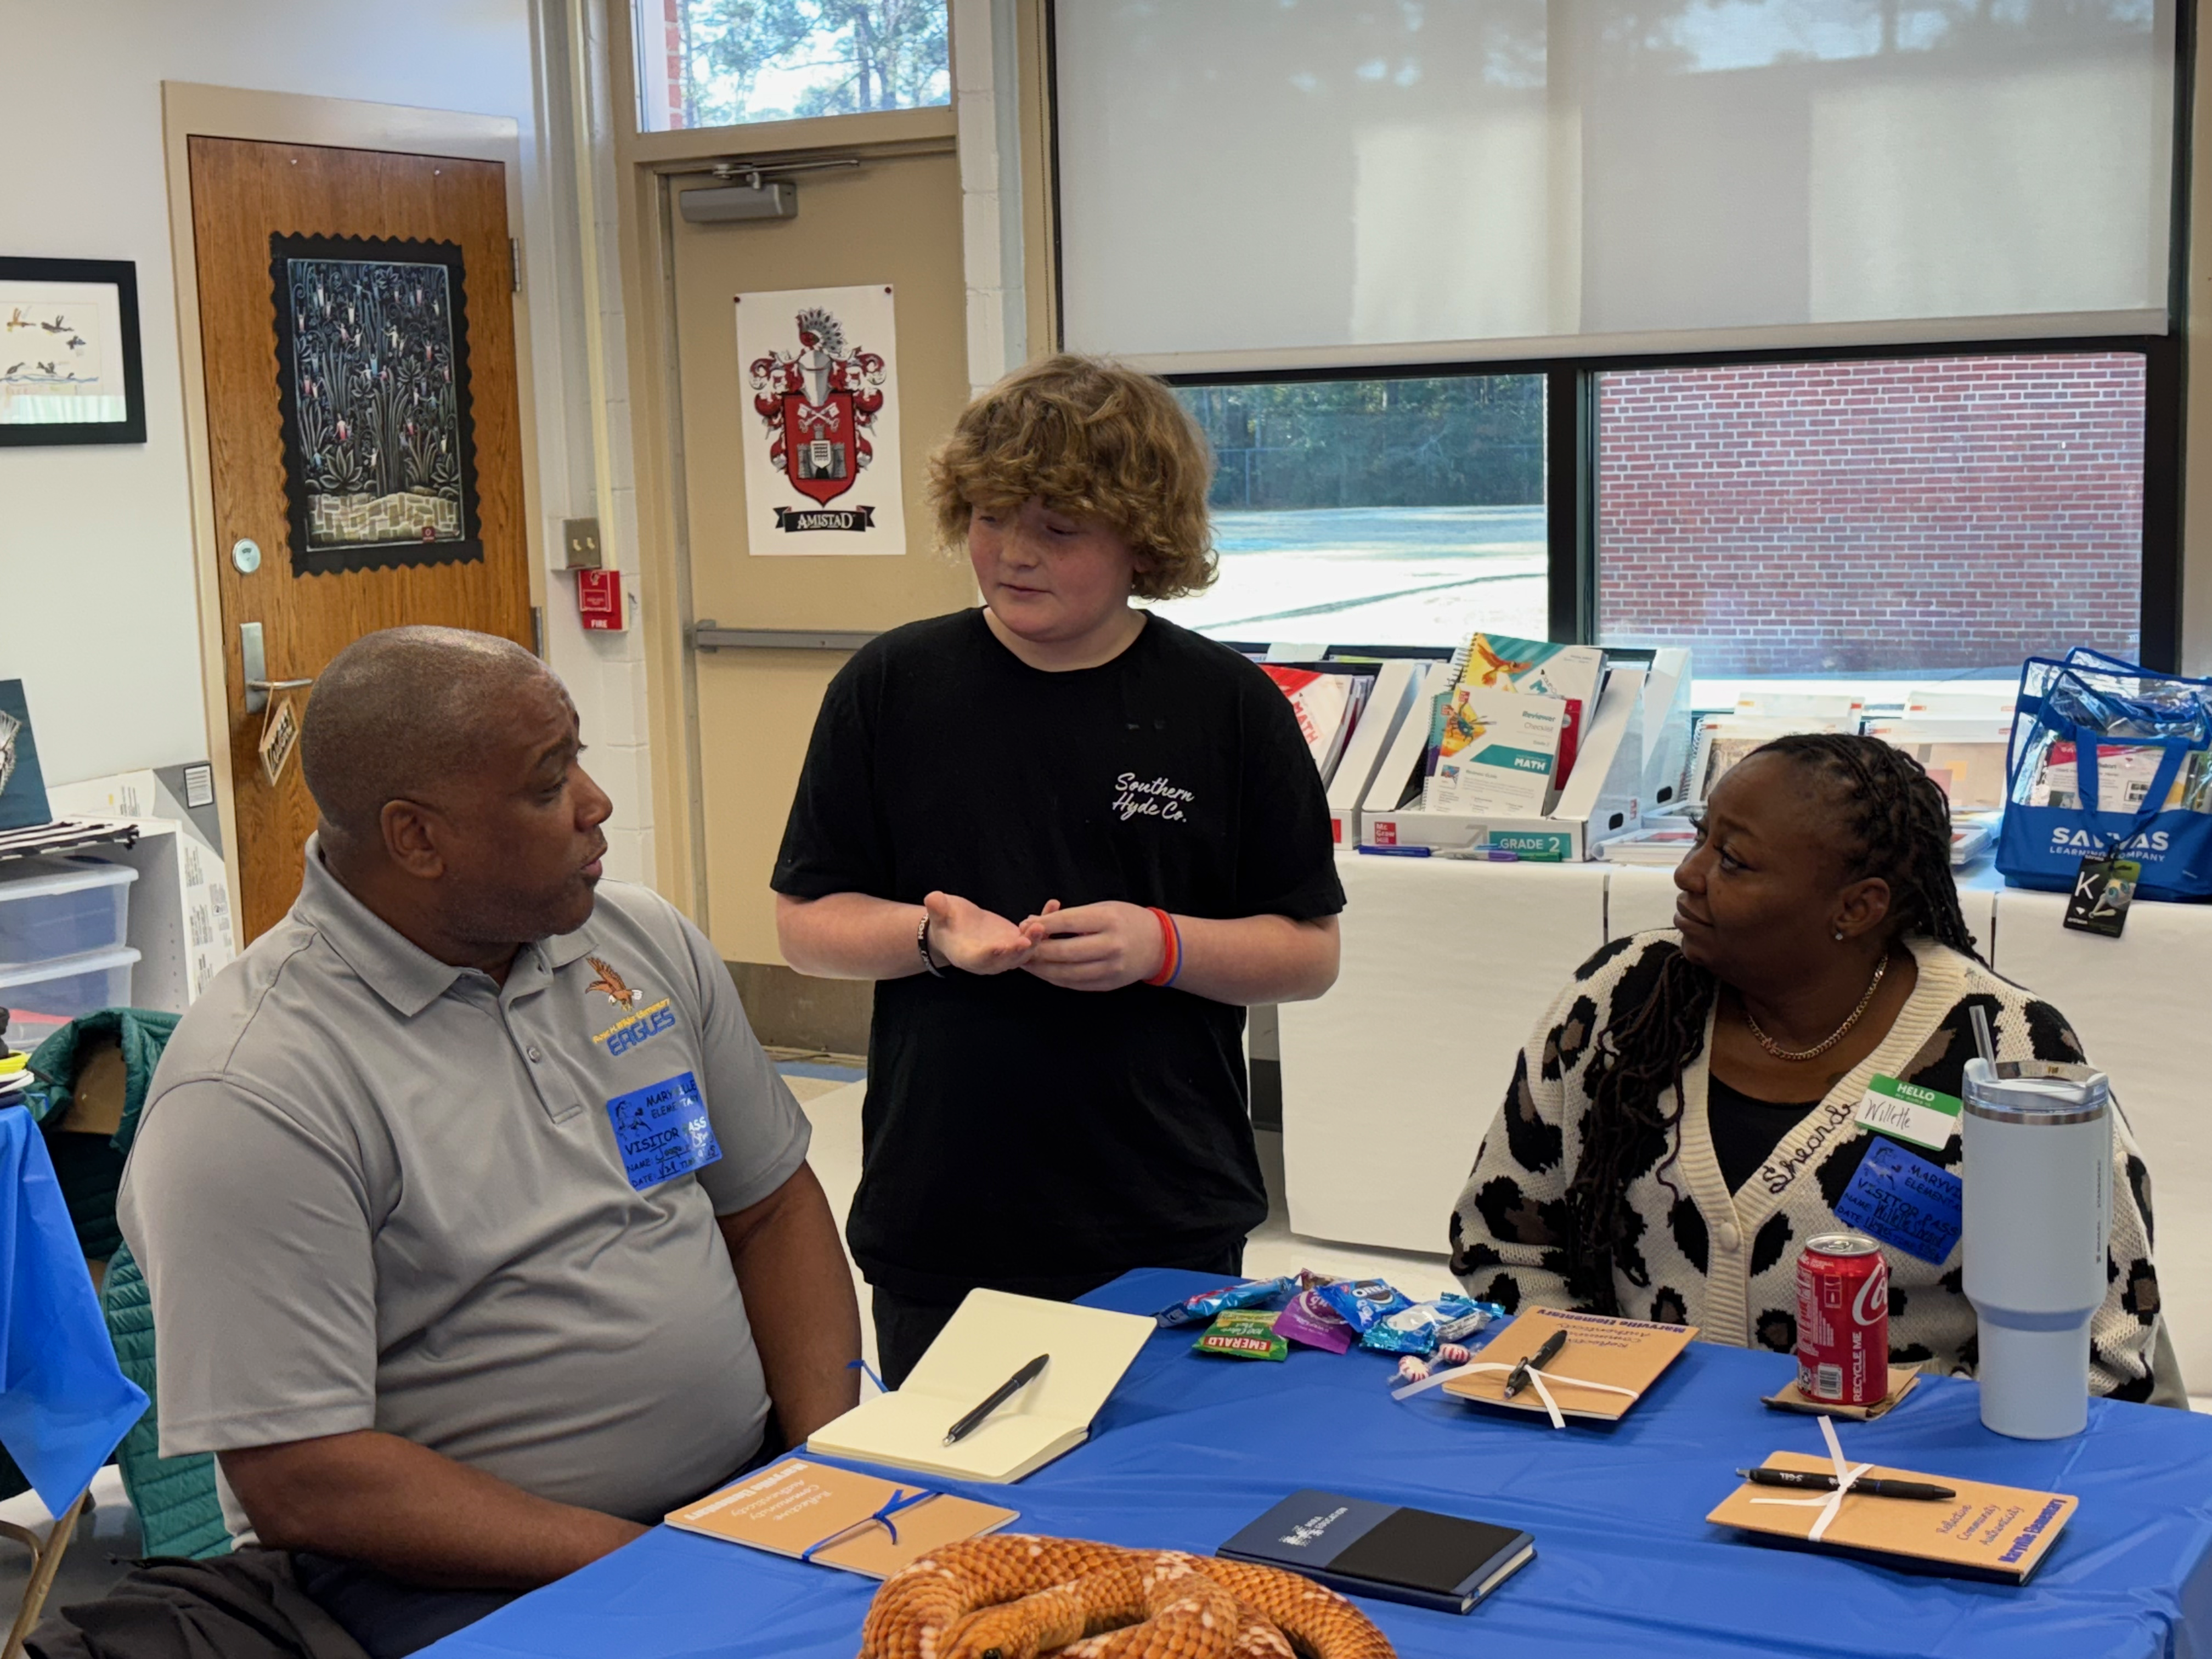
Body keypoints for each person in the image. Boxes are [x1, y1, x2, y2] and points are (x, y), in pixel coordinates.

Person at [115, 627, 860, 1659]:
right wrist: (657, 1563)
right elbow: (302, 1476)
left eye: (581, 758)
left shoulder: (635, 942)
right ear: (417, 839)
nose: (597, 805)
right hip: (459, 1585)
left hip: (740, 1508)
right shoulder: (254, 1088)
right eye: (550, 783)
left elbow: (770, 1205)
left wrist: (824, 1466)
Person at [773, 354, 1344, 1386]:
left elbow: (1307, 953)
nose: (1012, 555)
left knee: (1161, 1521)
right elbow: (805, 923)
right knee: (963, 1532)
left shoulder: (1229, 707)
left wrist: (1161, 945)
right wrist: (931, 939)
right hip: (945, 1208)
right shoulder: (892, 687)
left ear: (1144, 536)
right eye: (992, 517)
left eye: (1059, 529)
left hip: (1166, 1209)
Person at [1448, 732, 2176, 1401]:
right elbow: (1503, 1241)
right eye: (1702, 839)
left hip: (1907, 1474)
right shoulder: (1621, 1006)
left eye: (1733, 860)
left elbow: (2097, 1343)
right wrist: (1598, 1394)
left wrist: (1910, 1444)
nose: (1689, 873)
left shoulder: (2005, 1054)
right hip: (1626, 1441)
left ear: (1857, 907)